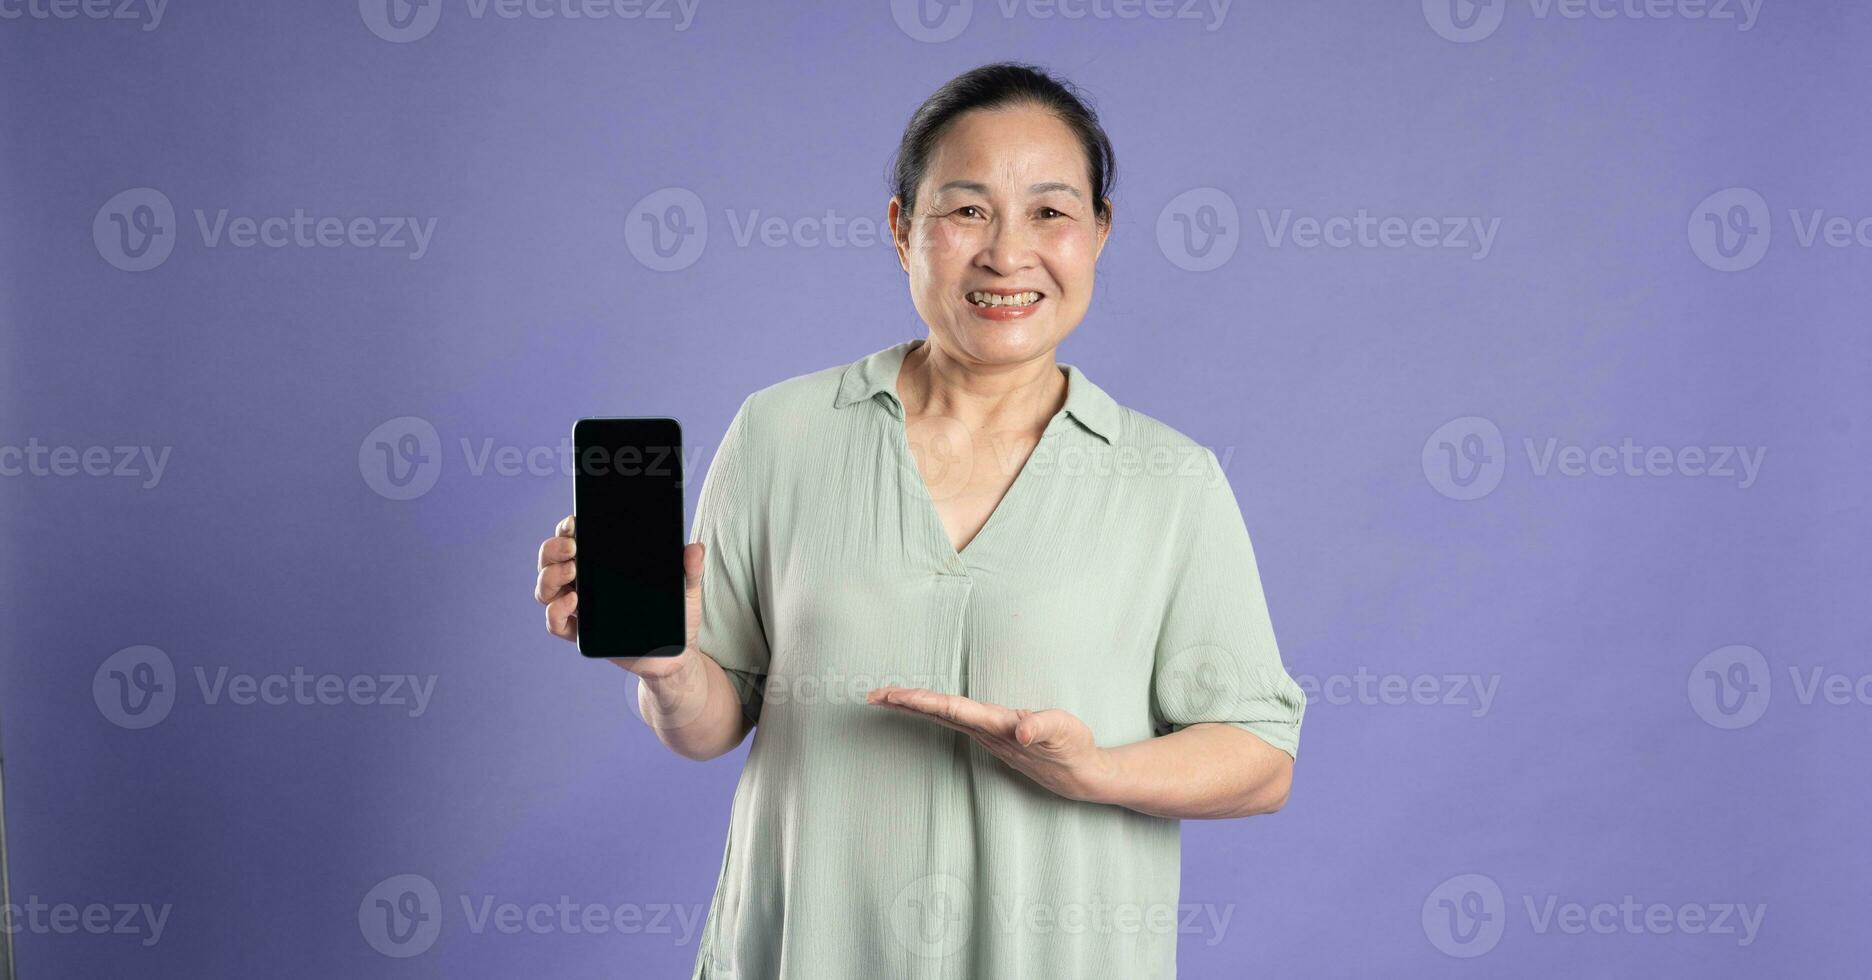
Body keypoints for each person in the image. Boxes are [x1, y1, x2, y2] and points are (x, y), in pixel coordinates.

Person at [534, 61, 1306, 980]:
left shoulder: (1170, 481)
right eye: (967, 210)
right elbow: (711, 722)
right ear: (902, 230)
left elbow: (1261, 757)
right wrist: (666, 667)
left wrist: (1091, 771)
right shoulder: (781, 433)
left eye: (1051, 212)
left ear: (1100, 233)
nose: (1007, 254)